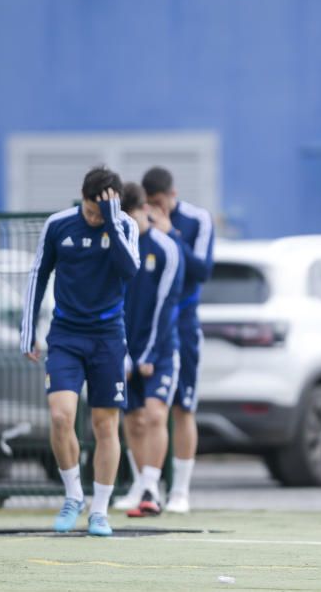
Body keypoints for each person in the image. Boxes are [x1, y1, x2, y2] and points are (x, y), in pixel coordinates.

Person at [22, 166, 140, 537]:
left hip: (108, 337)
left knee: (106, 424)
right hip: (67, 335)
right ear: (82, 198)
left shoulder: (125, 226)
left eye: (99, 211)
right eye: (90, 210)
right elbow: (38, 273)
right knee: (61, 416)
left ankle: (100, 511)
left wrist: (110, 222)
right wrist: (29, 332)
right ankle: (73, 494)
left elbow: (130, 270)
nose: (92, 218)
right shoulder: (59, 225)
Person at [140, 167, 214, 514]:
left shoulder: (197, 220)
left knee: (185, 405)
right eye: (149, 204)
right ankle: (145, 487)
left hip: (183, 322)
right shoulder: (141, 220)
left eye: (159, 202)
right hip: (150, 323)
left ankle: (181, 490)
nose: (155, 210)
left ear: (172, 194)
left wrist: (172, 235)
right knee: (143, 408)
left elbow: (203, 270)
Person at [113, 182, 184, 517]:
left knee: (156, 414)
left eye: (133, 216)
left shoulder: (166, 249)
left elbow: (166, 306)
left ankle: (151, 488)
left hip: (161, 351)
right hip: (125, 352)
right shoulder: (118, 248)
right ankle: (143, 486)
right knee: (134, 420)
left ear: (144, 210)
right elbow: (113, 303)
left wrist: (148, 355)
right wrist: (124, 352)